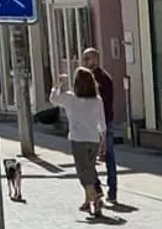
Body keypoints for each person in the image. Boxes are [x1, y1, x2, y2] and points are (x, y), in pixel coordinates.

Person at [50, 67, 108, 218]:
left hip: (78, 140)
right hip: (93, 139)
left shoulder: (70, 99)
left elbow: (53, 99)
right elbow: (102, 123)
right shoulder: (97, 100)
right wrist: (103, 142)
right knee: (90, 170)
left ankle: (95, 198)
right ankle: (89, 200)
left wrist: (58, 84)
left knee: (83, 173)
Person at [80, 47, 118, 205]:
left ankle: (104, 190)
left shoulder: (99, 79)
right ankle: (105, 191)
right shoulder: (100, 77)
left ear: (95, 59)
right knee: (102, 158)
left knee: (98, 158)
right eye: (84, 59)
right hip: (100, 123)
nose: (84, 62)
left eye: (86, 59)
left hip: (99, 124)